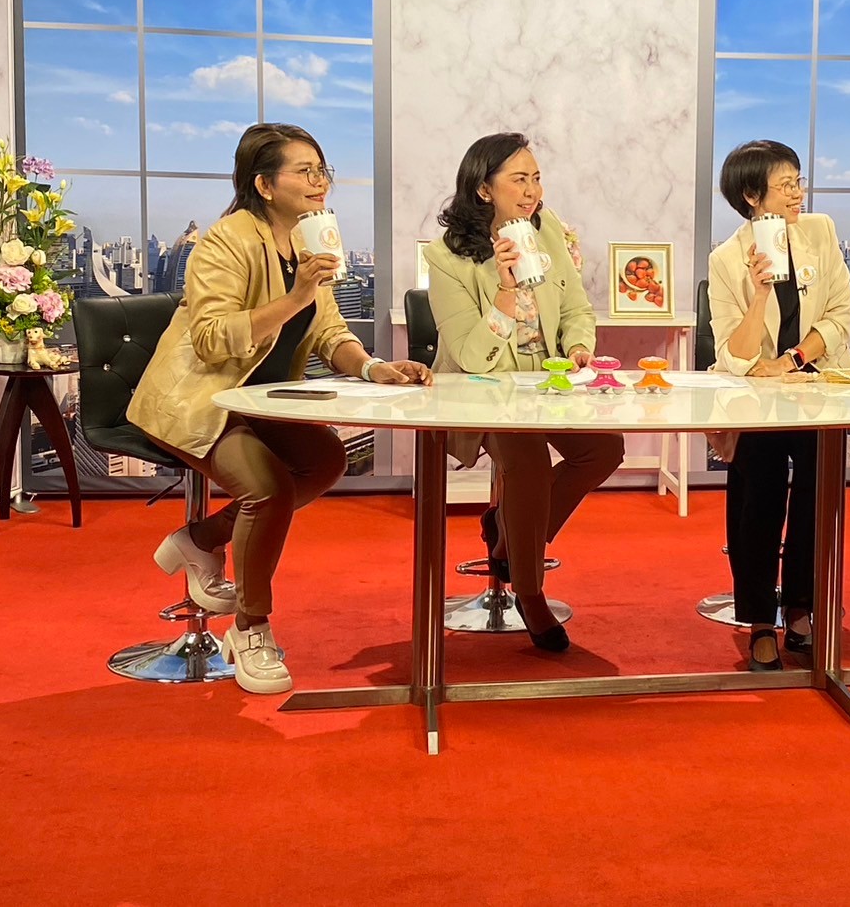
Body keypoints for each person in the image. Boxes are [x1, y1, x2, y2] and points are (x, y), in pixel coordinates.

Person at [129, 122, 434, 694]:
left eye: (323, 171)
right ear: (264, 185)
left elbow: (329, 333)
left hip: (261, 402)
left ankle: (201, 538)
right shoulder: (225, 242)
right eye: (306, 171)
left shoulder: (311, 240)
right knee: (266, 489)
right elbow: (211, 339)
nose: (320, 182)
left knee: (325, 460)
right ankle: (250, 628)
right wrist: (295, 297)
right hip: (199, 401)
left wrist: (373, 367)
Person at [424, 132, 624, 653]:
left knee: (604, 448)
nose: (533, 190)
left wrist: (578, 346)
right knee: (527, 462)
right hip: (484, 389)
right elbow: (471, 356)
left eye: (536, 178)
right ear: (484, 189)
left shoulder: (547, 228)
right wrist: (506, 289)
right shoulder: (446, 256)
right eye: (519, 179)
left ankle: (506, 534)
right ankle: (530, 594)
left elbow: (576, 308)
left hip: (548, 381)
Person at [707, 140, 850, 671]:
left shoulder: (820, 231)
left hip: (816, 388)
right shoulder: (726, 259)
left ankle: (800, 608)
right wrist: (760, 293)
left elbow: (840, 313)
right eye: (785, 185)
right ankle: (758, 620)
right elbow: (735, 355)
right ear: (752, 196)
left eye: (798, 181)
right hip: (758, 401)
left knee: (816, 497)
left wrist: (792, 358)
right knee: (758, 500)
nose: (798, 193)